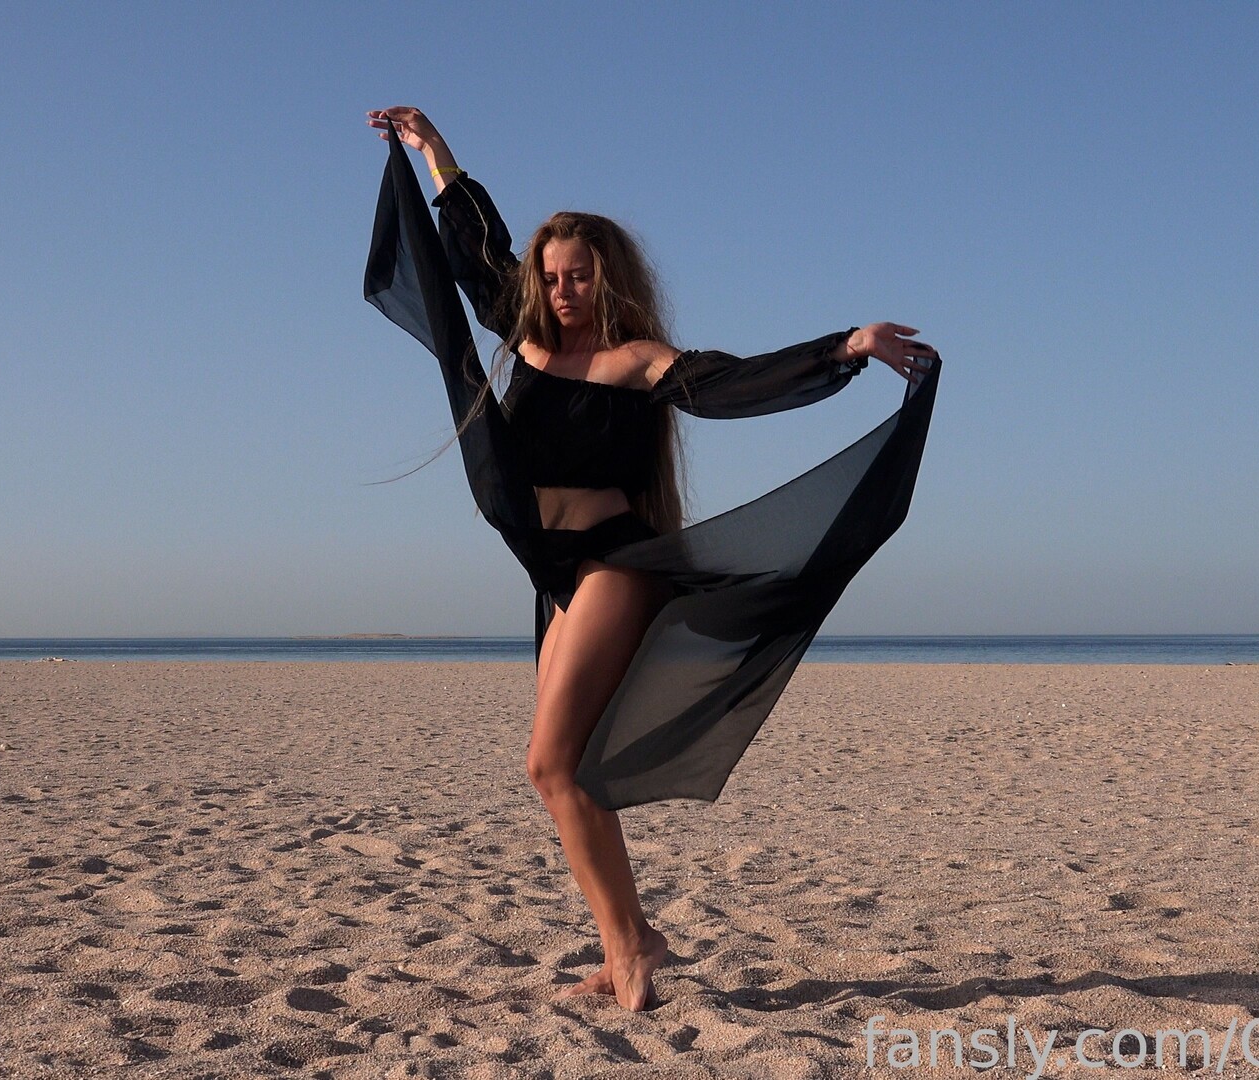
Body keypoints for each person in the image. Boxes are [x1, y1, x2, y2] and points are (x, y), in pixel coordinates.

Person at [364, 106, 940, 1012]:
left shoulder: (633, 360)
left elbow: (729, 382)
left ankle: (632, 948)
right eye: (551, 276)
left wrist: (843, 348)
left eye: (578, 275)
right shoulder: (525, 341)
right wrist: (436, 155)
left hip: (614, 565)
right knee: (572, 773)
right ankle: (626, 943)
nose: (562, 290)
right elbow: (476, 256)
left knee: (549, 764)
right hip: (554, 575)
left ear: (607, 278)